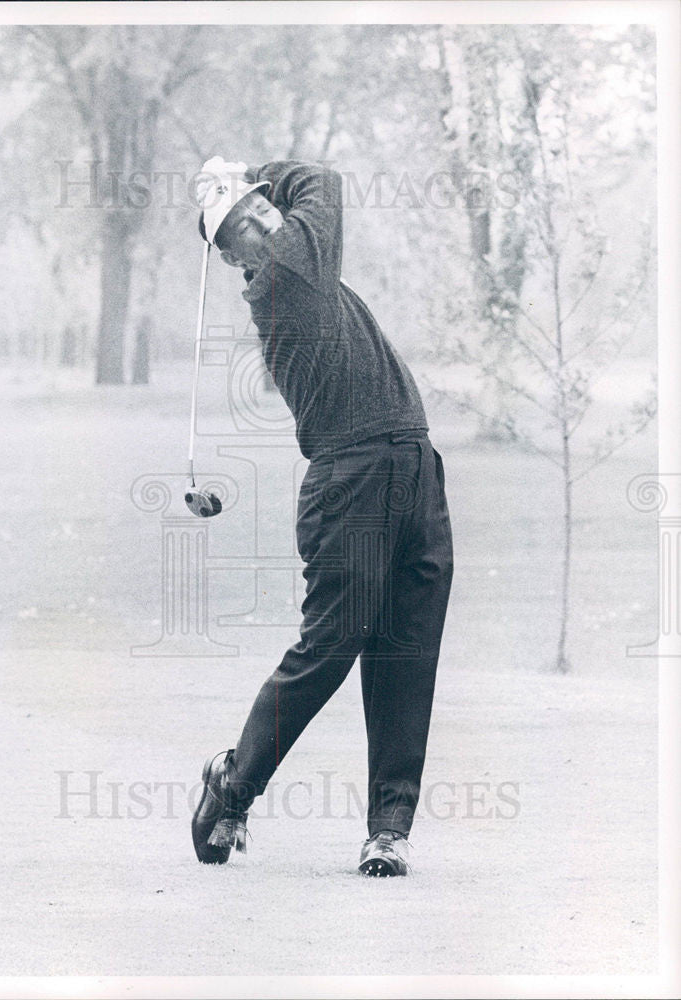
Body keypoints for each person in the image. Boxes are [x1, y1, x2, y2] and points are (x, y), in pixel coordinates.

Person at [190, 157, 453, 877]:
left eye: (259, 205)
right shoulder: (284, 276)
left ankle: (388, 831)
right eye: (242, 223)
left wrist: (243, 185)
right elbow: (323, 181)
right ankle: (231, 786)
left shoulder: (296, 272)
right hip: (352, 482)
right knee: (329, 649)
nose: (262, 218)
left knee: (406, 649)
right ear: (233, 254)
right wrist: (261, 171)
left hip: (410, 465)